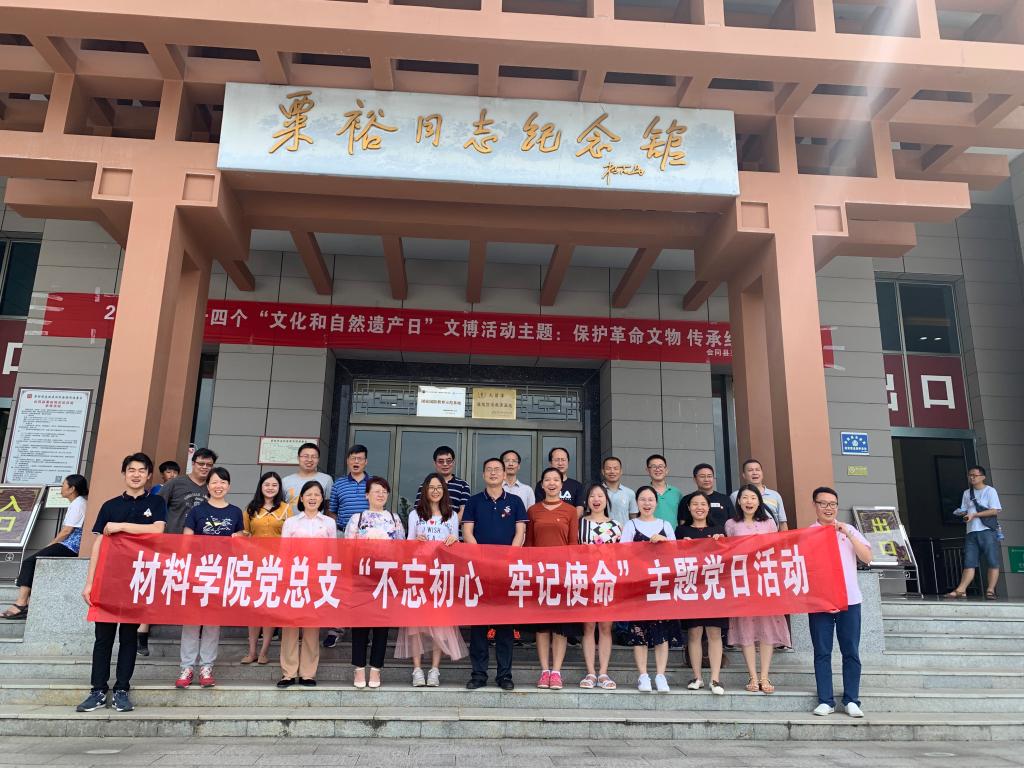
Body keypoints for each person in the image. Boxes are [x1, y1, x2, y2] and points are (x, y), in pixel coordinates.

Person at [76, 453, 167, 714]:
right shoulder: (110, 505)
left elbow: (158, 530)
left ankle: (122, 690)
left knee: (129, 638)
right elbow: (99, 544)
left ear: (148, 475)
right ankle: (97, 690)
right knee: (103, 638)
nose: (136, 475)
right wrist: (89, 582)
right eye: (131, 470)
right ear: (124, 474)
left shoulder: (156, 502)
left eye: (141, 470)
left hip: (137, 579)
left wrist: (121, 526)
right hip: (108, 578)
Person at [175, 467, 246, 690]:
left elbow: (240, 544)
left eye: (223, 482)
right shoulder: (197, 511)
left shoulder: (235, 512)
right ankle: (186, 668)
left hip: (221, 573)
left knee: (213, 622)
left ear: (229, 486)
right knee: (191, 621)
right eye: (214, 482)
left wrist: (238, 540)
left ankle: (206, 667)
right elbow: (186, 543)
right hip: (197, 572)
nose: (218, 486)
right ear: (208, 486)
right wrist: (185, 570)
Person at [396, 473, 466, 687]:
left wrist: (454, 541)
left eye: (439, 487)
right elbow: (407, 543)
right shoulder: (415, 514)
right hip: (419, 573)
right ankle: (417, 670)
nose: (435, 491)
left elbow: (455, 546)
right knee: (415, 624)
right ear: (425, 490)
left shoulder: (451, 515)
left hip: (440, 574)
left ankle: (435, 669)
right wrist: (415, 541)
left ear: (444, 491)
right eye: (431, 487)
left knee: (440, 623)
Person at [463, 458, 528, 690]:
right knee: (478, 625)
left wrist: (508, 559)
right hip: (480, 570)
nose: (493, 473)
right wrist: (482, 558)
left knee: (505, 626)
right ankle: (478, 675)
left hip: (506, 571)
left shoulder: (515, 501)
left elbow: (520, 533)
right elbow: (467, 532)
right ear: (483, 475)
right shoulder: (473, 501)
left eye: (497, 470)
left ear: (504, 474)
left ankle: (504, 675)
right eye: (489, 470)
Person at [809, 486, 873, 718]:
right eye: (823, 503)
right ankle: (825, 700)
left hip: (850, 600)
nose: (828, 508)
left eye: (833, 504)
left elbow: (867, 558)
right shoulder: (809, 534)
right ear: (815, 505)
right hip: (820, 601)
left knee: (851, 651)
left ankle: (851, 700)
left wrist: (848, 533)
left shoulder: (849, 530)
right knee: (822, 652)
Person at [145, 448, 215, 655]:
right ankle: (142, 631)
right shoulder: (176, 483)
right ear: (193, 463)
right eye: (201, 463)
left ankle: (193, 624)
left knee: (195, 588)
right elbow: (157, 505)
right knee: (159, 586)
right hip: (172, 544)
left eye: (209, 465)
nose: (204, 468)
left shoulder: (212, 486)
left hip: (201, 549)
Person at [725, 484, 790, 694]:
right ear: (738, 501)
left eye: (753, 498)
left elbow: (776, 549)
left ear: (758, 501)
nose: (749, 501)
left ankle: (764, 676)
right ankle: (752, 675)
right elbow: (727, 551)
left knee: (767, 628)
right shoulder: (731, 524)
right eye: (745, 498)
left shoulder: (769, 523)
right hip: (742, 582)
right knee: (746, 627)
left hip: (765, 581)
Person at [621, 486, 682, 693]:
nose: (647, 503)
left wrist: (664, 542)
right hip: (639, 586)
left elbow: (676, 553)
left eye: (650, 500)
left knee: (661, 632)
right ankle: (643, 675)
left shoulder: (665, 525)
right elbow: (623, 553)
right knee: (639, 631)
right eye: (643, 500)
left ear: (656, 503)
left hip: (661, 586)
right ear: (637, 503)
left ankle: (660, 675)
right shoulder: (630, 525)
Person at [346, 476, 405, 689]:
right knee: (360, 625)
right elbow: (348, 548)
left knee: (381, 625)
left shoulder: (394, 518)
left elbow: (401, 548)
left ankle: (376, 668)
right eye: (376, 491)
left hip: (386, 578)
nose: (380, 494)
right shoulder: (357, 518)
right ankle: (359, 668)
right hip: (362, 577)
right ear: (367, 495)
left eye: (384, 491)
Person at [3, 474, 88, 620]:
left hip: (71, 546)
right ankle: (27, 602)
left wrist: (50, 545)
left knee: (29, 562)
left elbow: (67, 531)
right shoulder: (78, 502)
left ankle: (21, 603)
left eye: (63, 485)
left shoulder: (78, 503)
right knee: (33, 562)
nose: (61, 488)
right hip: (69, 544)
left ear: (72, 488)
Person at [527, 467, 580, 691]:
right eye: (547, 479)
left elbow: (573, 544)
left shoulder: (570, 511)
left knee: (560, 626)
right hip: (540, 575)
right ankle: (544, 670)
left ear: (561, 484)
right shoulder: (533, 510)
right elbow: (529, 544)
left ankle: (556, 671)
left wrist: (571, 573)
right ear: (542, 485)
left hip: (562, 575)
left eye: (555, 480)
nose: (551, 483)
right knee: (542, 626)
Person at [278, 480, 335, 687]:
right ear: (301, 498)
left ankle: (308, 673)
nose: (312, 498)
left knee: (312, 626)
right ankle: (288, 673)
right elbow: (284, 552)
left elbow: (332, 554)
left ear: (322, 499)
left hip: (317, 579)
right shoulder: (291, 522)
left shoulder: (328, 523)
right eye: (308, 494)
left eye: (317, 494)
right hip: (294, 578)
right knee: (290, 626)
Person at [676, 491, 727, 695]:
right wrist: (682, 546)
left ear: (708, 507)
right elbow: (673, 557)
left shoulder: (719, 530)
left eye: (703, 504)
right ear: (688, 508)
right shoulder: (681, 530)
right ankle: (697, 677)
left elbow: (728, 557)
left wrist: (722, 542)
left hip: (714, 587)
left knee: (714, 633)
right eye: (695, 504)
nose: (699, 507)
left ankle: (715, 679)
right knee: (694, 632)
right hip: (691, 587)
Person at [241, 471, 290, 665]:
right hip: (255, 563)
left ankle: (264, 651)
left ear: (279, 488)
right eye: (267, 484)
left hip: (276, 565)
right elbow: (245, 535)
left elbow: (290, 537)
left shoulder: (286, 509)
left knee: (269, 607)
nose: (270, 488)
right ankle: (252, 650)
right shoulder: (251, 508)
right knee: (254, 608)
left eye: (274, 485)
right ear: (261, 487)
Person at [578, 482, 622, 690]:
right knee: (588, 627)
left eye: (600, 496)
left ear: (606, 500)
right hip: (585, 581)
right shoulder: (579, 524)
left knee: (605, 627)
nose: (596, 500)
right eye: (592, 496)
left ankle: (603, 672)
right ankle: (590, 672)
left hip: (607, 581)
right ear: (587, 501)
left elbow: (623, 554)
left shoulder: (617, 526)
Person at [325, 443, 370, 648]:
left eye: (360, 458)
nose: (356, 462)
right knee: (341, 583)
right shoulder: (339, 484)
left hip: (367, 540)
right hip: (343, 537)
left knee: (364, 583)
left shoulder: (373, 483)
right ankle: (336, 629)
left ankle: (363, 626)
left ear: (366, 462)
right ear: (347, 461)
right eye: (353, 458)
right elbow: (332, 512)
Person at [946, 465, 1003, 600]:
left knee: (992, 561)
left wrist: (974, 515)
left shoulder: (990, 491)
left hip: (987, 530)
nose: (972, 477)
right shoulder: (967, 493)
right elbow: (965, 509)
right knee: (969, 562)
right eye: (970, 475)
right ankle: (961, 590)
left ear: (983, 477)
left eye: (975, 475)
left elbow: (995, 510)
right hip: (971, 531)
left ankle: (990, 590)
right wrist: (962, 513)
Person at [414, 446, 471, 520]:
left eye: (448, 461)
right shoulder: (425, 485)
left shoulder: (463, 485)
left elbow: (464, 511)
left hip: (454, 527)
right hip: (428, 526)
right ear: (435, 463)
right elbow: (418, 511)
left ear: (453, 462)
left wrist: (447, 524)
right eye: (441, 461)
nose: (445, 464)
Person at [730, 459, 788, 530]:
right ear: (744, 475)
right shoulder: (735, 496)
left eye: (757, 470)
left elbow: (782, 523)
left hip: (771, 536)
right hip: (747, 535)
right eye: (750, 470)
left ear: (762, 473)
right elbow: (733, 520)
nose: (755, 473)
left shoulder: (775, 495)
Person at [282, 442, 333, 514]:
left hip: (317, 521)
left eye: (314, 456)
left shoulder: (327, 479)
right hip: (291, 520)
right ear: (298, 458)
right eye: (305, 456)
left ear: (318, 459)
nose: (309, 460)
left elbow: (329, 507)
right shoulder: (285, 481)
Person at [681, 463, 735, 529]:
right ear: (695, 479)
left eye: (709, 476)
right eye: (702, 476)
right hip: (695, 535)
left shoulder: (725, 499)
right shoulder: (687, 499)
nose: (706, 480)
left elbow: (733, 523)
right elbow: (683, 524)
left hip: (721, 535)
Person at [533, 446, 584, 515]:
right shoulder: (542, 484)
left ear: (568, 462)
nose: (560, 463)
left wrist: (569, 520)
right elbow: (539, 507)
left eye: (563, 460)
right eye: (557, 460)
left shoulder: (577, 485)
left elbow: (580, 508)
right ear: (550, 463)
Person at [645, 454, 683, 527]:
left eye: (660, 466)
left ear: (666, 470)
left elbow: (682, 518)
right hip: (649, 533)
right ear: (647, 470)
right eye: (653, 466)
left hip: (673, 533)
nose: (657, 469)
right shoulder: (643, 493)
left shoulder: (677, 493)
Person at [601, 456, 638, 528]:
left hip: (624, 533)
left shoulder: (629, 493)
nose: (612, 471)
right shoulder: (596, 493)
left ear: (621, 471)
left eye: (616, 468)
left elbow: (633, 517)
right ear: (603, 471)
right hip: (602, 532)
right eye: (608, 468)